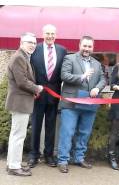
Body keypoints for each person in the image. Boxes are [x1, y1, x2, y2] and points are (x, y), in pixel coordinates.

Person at [57, 35, 106, 173]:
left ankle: (79, 158)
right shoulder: (70, 58)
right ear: (80, 45)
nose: (87, 49)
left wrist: (97, 88)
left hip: (89, 102)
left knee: (84, 132)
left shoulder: (96, 63)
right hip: (71, 103)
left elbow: (103, 79)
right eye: (85, 46)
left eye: (89, 46)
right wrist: (82, 77)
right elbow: (64, 75)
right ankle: (63, 160)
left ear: (93, 47)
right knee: (68, 132)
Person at [28, 24, 67, 168]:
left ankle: (49, 155)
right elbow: (29, 72)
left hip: (54, 95)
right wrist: (31, 89)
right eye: (47, 33)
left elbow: (64, 73)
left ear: (55, 35)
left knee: (51, 126)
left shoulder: (62, 51)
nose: (50, 36)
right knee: (36, 125)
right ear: (42, 34)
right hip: (37, 94)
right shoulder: (34, 49)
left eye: (52, 34)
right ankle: (33, 155)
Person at [6, 33, 43, 176]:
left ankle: (12, 163)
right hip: (20, 102)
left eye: (34, 42)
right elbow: (21, 81)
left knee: (16, 135)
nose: (33, 45)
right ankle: (14, 167)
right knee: (18, 136)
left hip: (20, 102)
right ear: (21, 42)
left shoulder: (23, 57)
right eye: (29, 42)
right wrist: (37, 88)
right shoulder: (19, 57)